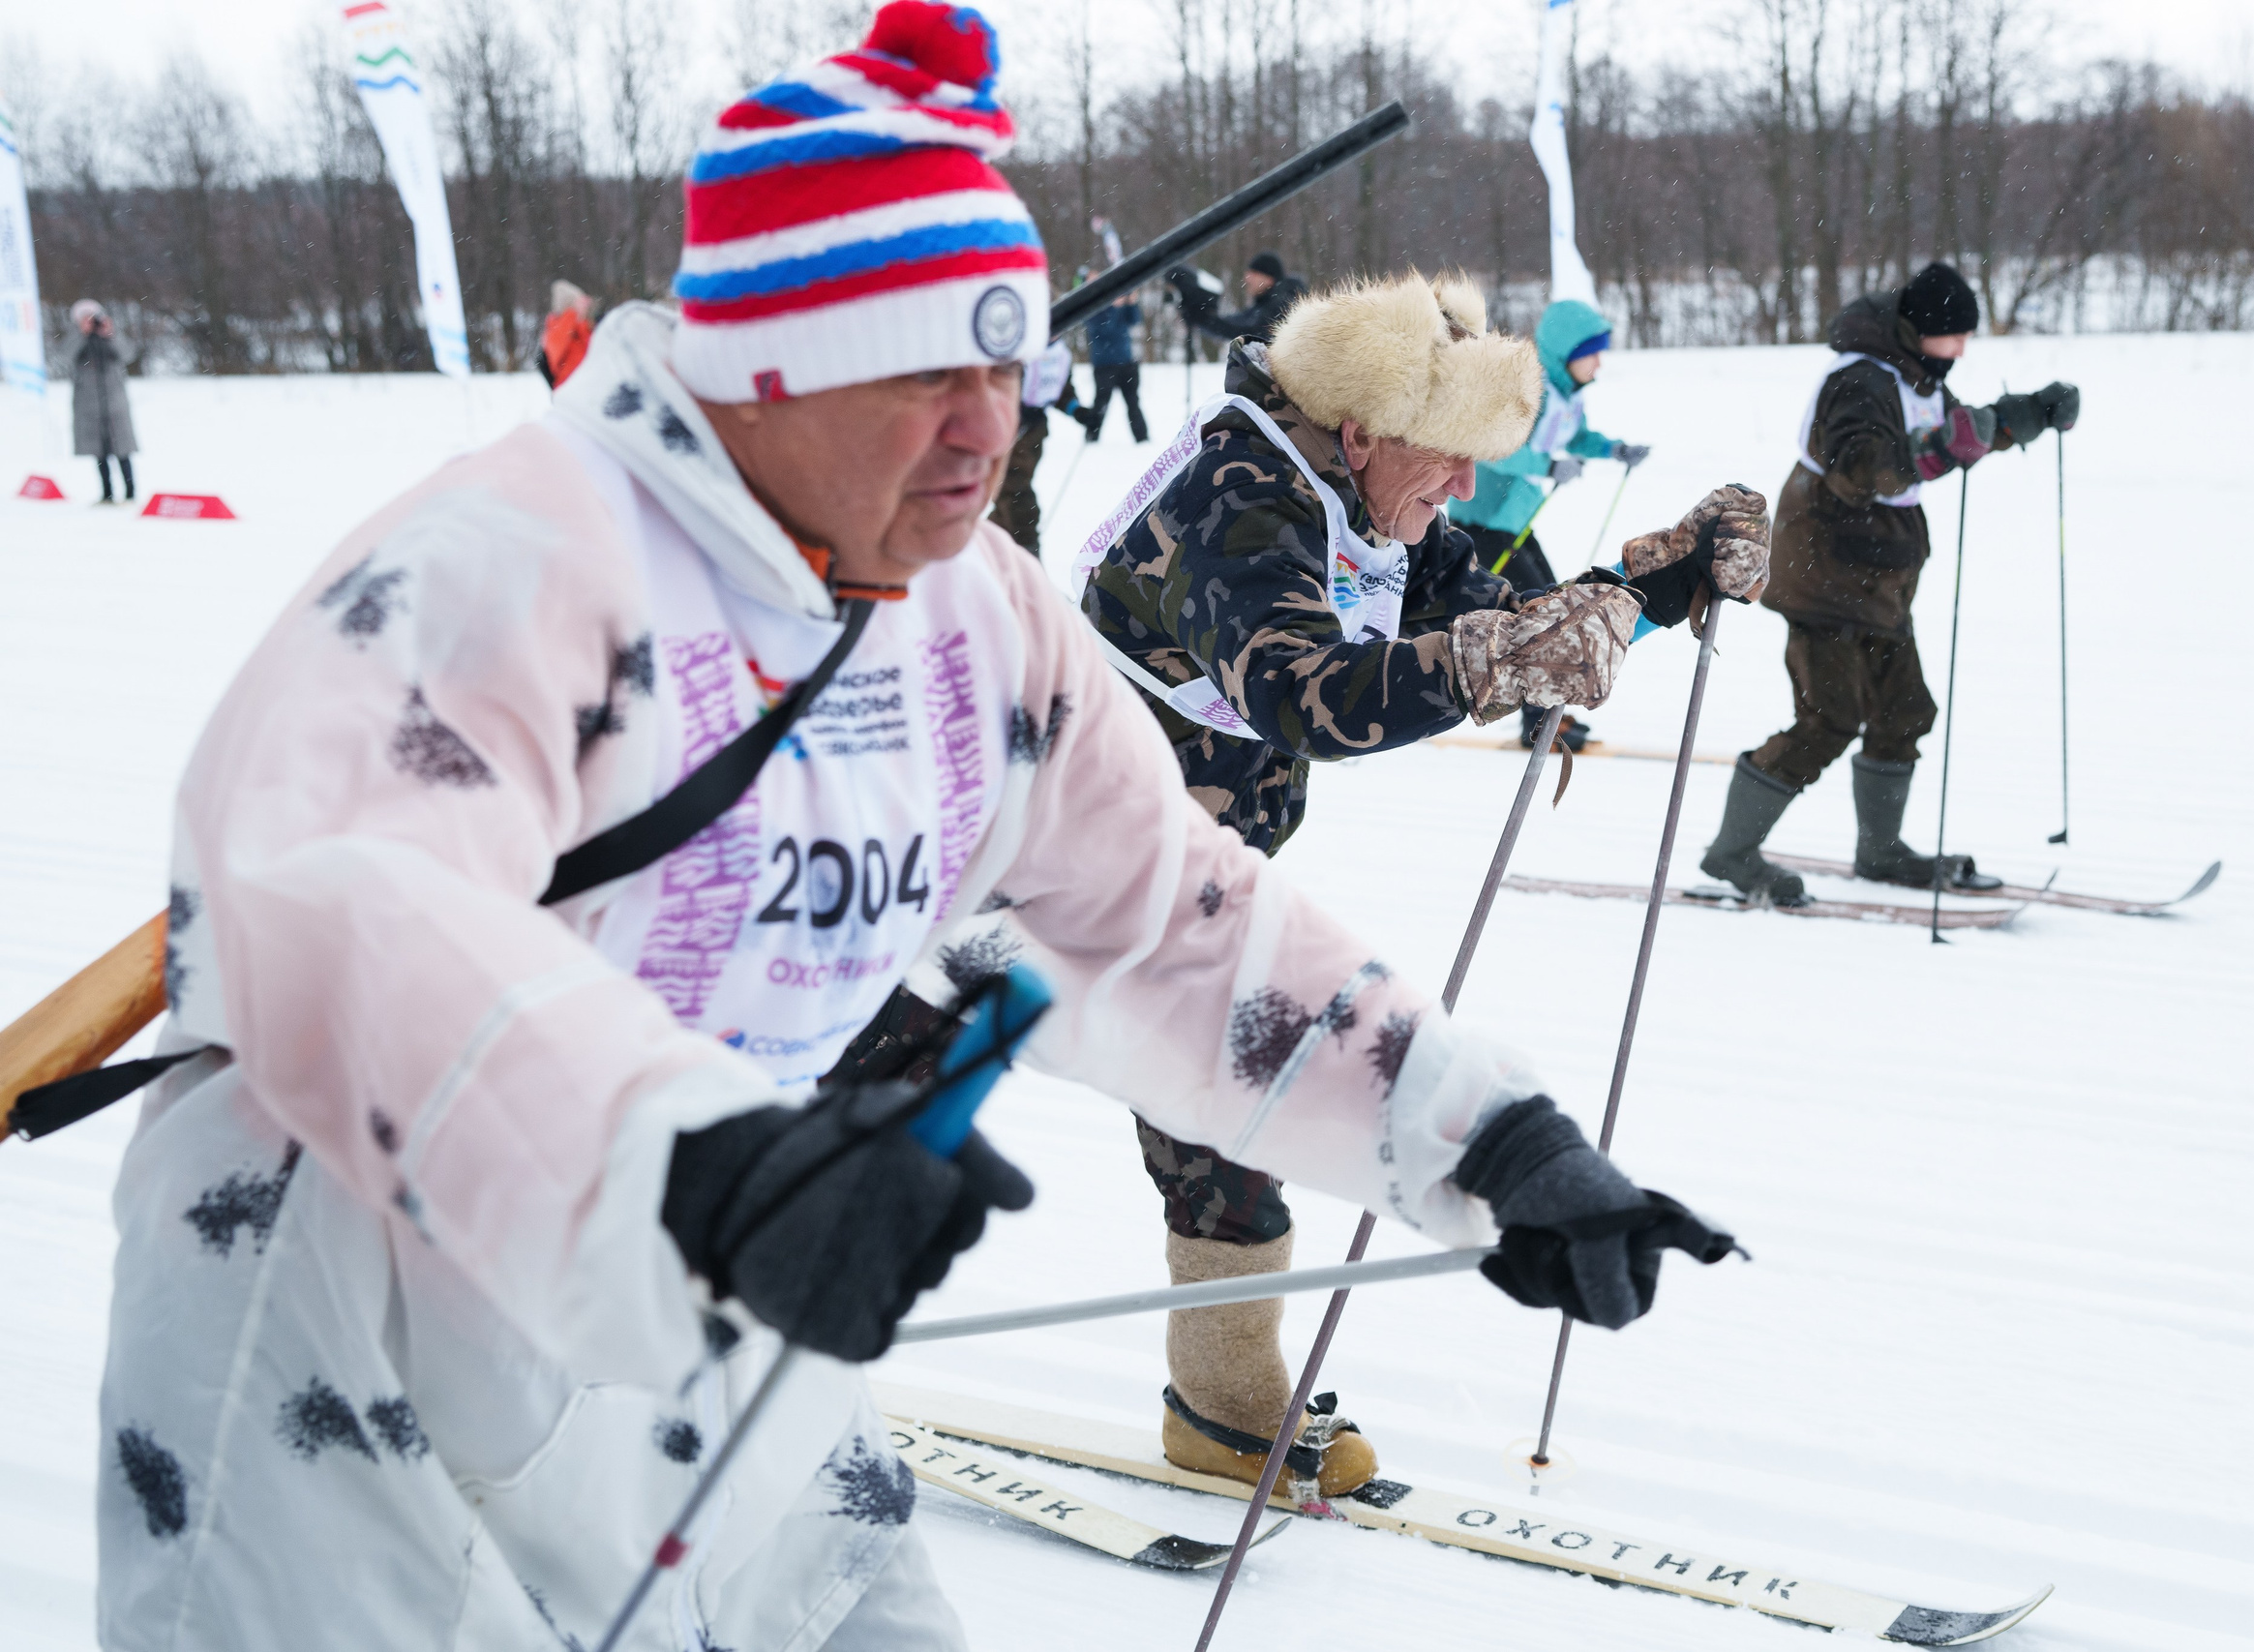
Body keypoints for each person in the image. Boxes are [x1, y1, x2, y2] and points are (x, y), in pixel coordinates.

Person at [94, 11, 1732, 1648]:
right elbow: (344, 921)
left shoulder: (972, 617)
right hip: (359, 1353)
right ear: (764, 371)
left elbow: (1161, 924)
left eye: (1002, 368)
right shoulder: (509, 569)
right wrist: (695, 1165)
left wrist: (1481, 1138)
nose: (986, 428)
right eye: (920, 371)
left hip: (729, 1298)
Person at [1077, 269, 1769, 1500]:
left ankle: (1220, 1399)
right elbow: (1308, 693)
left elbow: (1499, 612)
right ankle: (1219, 1402)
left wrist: (1656, 585)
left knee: (1212, 1092)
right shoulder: (1238, 499)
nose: (1460, 488)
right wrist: (1496, 660)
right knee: (1214, 1087)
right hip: (1068, 846)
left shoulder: (1360, 492)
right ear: (1360, 428)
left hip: (1200, 844)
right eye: (1446, 460)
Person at [1701, 261, 2079, 905]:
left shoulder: (1918, 374)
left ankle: (1881, 850)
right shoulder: (1859, 379)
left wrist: (2033, 413)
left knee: (1904, 709)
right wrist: (1932, 452)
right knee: (1829, 718)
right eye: (1956, 335)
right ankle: (1732, 853)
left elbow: (1965, 432)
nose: (1962, 348)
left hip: (1878, 578)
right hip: (1825, 572)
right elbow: (1859, 466)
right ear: (1922, 328)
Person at [1449, 297, 1652, 753]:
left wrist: (1614, 450)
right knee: (1536, 614)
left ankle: (1545, 716)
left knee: (1543, 609)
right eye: (1591, 351)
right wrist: (1548, 464)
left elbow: (1574, 437)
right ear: (1565, 352)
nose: (1599, 361)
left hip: (1516, 520)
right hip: (1484, 521)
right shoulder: (1527, 389)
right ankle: (1538, 720)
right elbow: (1497, 442)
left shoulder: (1564, 396)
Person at [986, 336, 1093, 555]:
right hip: (1007, 426)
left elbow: (1060, 389)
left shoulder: (1059, 353)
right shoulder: (1020, 346)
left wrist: (1078, 411)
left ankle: (1010, 548)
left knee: (1013, 489)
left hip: (1034, 431)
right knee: (1010, 489)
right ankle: (1014, 549)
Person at [70, 300, 137, 505]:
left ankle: (130, 493)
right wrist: (81, 334)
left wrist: (111, 334)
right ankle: (106, 493)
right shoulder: (75, 337)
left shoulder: (110, 335)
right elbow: (65, 355)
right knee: (98, 451)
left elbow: (128, 354)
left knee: (122, 449)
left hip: (115, 402)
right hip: (88, 405)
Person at [1168, 250, 1307, 343]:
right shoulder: (1266, 302)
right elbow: (1238, 321)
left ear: (1269, 278)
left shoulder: (1284, 303)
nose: (1247, 279)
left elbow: (1251, 333)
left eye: (1253, 274)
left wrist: (1203, 320)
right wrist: (1205, 319)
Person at [1080, 274, 1146, 441]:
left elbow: (1134, 320)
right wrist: (1114, 307)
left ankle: (1142, 438)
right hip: (1104, 365)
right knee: (1101, 404)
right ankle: (1091, 437)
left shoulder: (1114, 300)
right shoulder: (1090, 305)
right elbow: (1104, 328)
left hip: (1126, 362)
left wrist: (1132, 303)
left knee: (1133, 403)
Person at [537, 280, 597, 388]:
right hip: (569, 389)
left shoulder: (583, 326)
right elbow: (555, 350)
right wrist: (572, 314)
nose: (584, 308)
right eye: (580, 304)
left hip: (587, 386)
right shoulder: (557, 328)